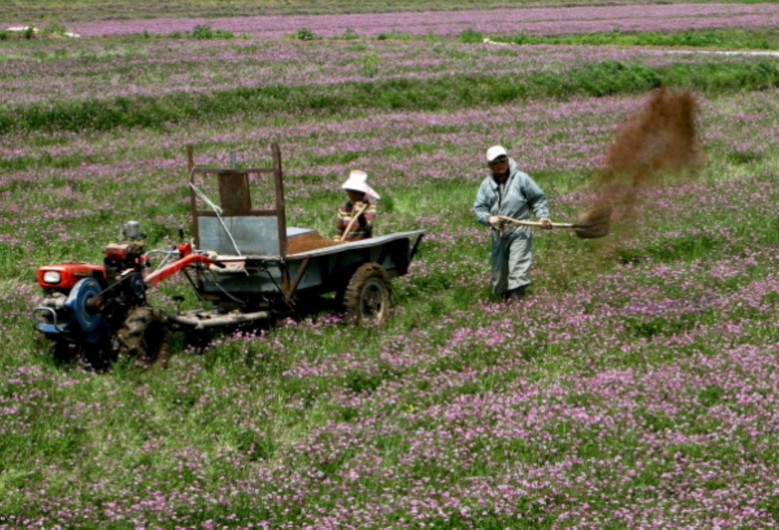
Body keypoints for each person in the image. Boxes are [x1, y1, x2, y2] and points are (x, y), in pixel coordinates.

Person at [473, 145, 552, 302]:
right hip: (498, 232)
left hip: (520, 230)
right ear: (490, 166)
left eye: (503, 160)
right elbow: (479, 208)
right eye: (495, 163)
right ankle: (505, 303)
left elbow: (537, 199)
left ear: (508, 160)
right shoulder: (486, 185)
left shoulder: (522, 179)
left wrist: (542, 216)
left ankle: (517, 304)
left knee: (518, 267)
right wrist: (489, 219)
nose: (500, 165)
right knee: (499, 273)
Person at [334, 170, 379, 242]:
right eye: (350, 191)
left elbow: (368, 228)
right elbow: (339, 232)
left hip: (363, 246)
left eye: (357, 192)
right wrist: (336, 243)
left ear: (363, 193)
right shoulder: (344, 207)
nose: (353, 194)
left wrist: (360, 216)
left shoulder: (370, 206)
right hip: (345, 246)